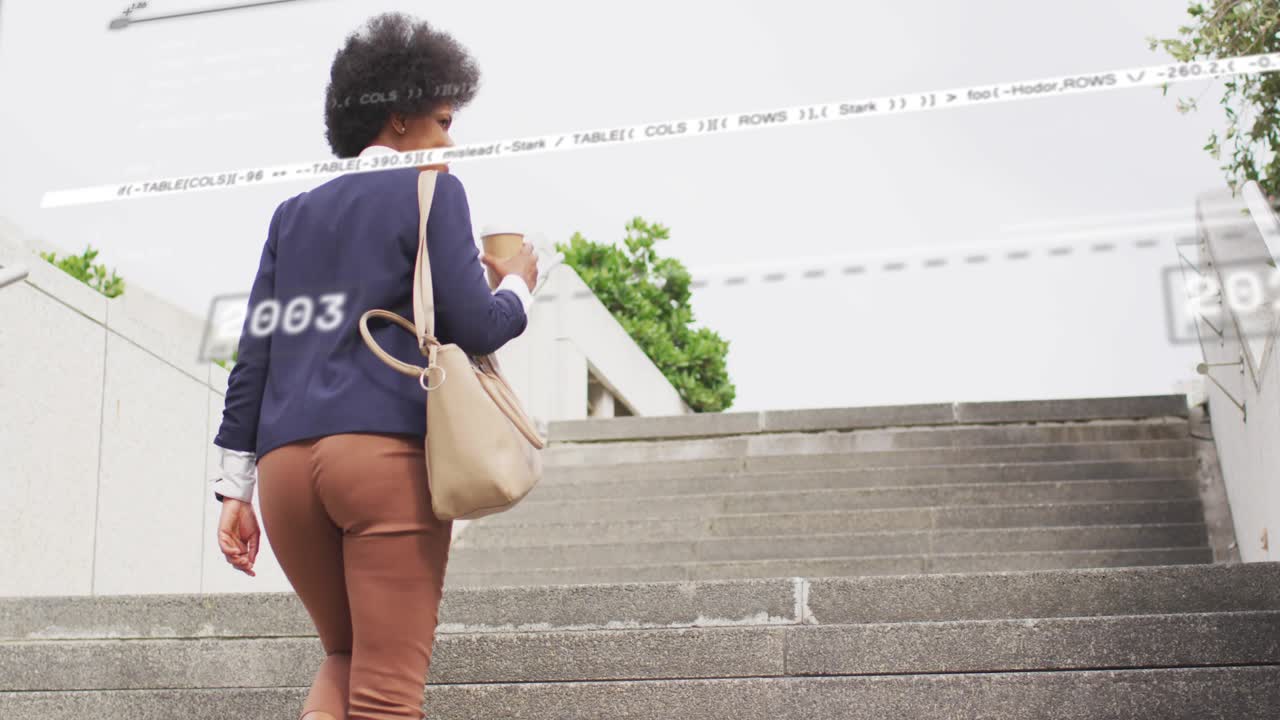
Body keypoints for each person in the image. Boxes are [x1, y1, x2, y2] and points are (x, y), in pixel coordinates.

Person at [208, 12, 539, 720]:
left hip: (285, 473)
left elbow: (254, 355)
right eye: (443, 121)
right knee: (387, 695)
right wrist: (517, 286)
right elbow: (476, 325)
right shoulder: (432, 190)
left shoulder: (291, 215)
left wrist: (235, 490)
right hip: (380, 459)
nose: (450, 142)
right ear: (399, 117)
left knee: (345, 657)